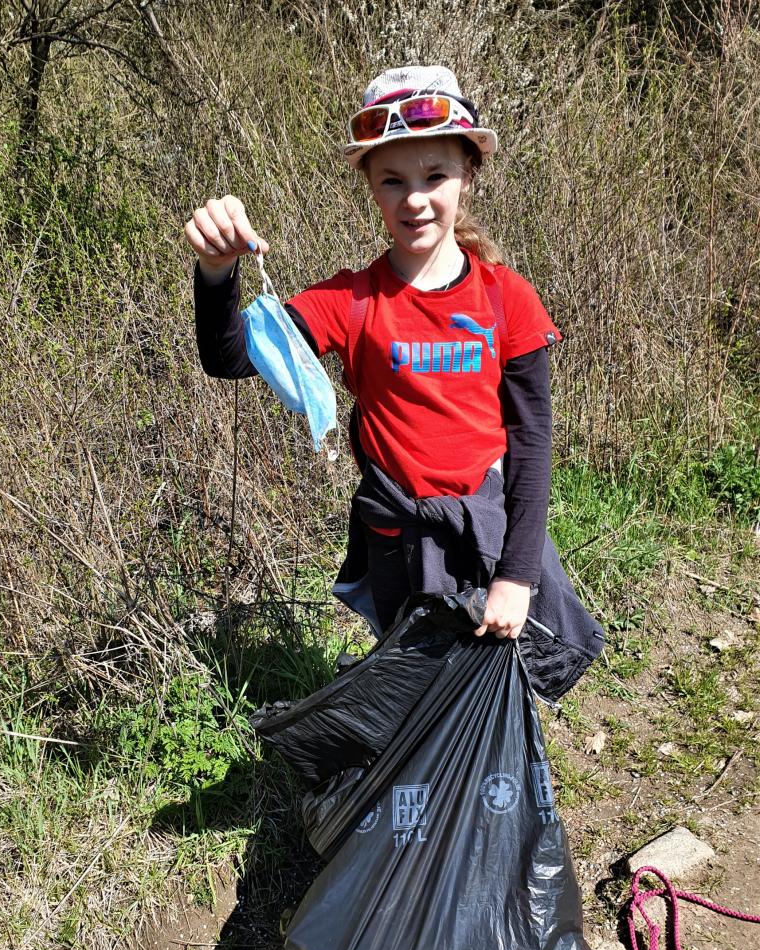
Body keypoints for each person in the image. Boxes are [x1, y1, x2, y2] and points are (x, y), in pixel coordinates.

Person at [187, 65, 563, 642]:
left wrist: (517, 575)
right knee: (410, 682)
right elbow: (231, 358)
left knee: (491, 683)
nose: (414, 199)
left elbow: (531, 440)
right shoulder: (351, 300)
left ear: (468, 174)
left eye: (435, 175)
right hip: (397, 545)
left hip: (486, 538)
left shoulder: (507, 299)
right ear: (370, 184)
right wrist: (217, 270)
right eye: (392, 180)